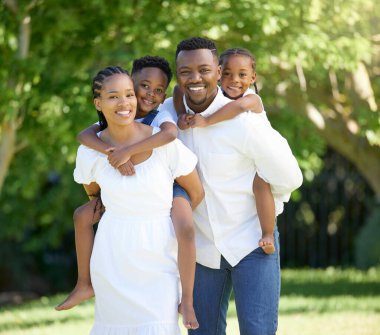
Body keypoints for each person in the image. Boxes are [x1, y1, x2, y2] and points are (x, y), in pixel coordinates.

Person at [159, 37, 303, 335]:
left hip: (251, 241)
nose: (195, 78)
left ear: (217, 69)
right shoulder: (170, 118)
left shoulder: (245, 119)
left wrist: (265, 197)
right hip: (200, 251)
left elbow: (290, 177)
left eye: (204, 70)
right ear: (178, 74)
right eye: (186, 71)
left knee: (258, 331)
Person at [56, 57, 200, 329]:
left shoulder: (162, 135)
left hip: (158, 253)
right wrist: (113, 156)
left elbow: (195, 191)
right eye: (113, 97)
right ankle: (84, 284)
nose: (124, 103)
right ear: (98, 104)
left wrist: (174, 213)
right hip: (113, 255)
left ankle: (188, 301)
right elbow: (95, 197)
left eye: (128, 95)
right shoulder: (90, 151)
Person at [174, 47, 276, 254]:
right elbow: (177, 91)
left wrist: (207, 121)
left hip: (258, 162)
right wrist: (181, 114)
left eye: (242, 75)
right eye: (228, 74)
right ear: (219, 74)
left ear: (253, 77)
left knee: (261, 184)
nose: (234, 80)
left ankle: (267, 233)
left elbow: (238, 108)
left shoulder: (252, 98)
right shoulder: (216, 96)